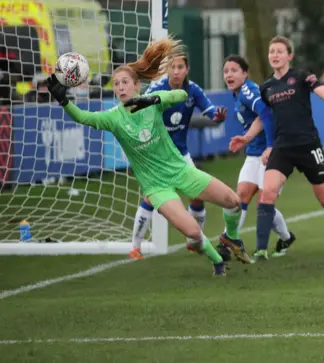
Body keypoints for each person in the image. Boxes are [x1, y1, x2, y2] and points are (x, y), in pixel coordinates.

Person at [45, 38, 250, 277]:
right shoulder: (113, 117)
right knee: (193, 232)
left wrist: (153, 99)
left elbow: (181, 95)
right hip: (156, 186)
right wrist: (64, 101)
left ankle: (231, 237)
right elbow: (83, 118)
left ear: (136, 86)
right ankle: (217, 262)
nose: (120, 87)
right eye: (116, 84)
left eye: (125, 82)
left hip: (182, 171)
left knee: (234, 201)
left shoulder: (152, 103)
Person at [126, 53, 250, 263]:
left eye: (180, 67)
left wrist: (217, 117)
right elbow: (137, 110)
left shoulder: (193, 90)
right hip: (158, 157)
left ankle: (194, 241)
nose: (176, 71)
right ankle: (135, 247)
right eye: (172, 67)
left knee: (197, 196)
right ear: (167, 69)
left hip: (181, 155)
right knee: (151, 197)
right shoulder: (157, 89)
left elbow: (210, 111)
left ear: (187, 70)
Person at [253, 35, 324, 261]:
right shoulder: (266, 87)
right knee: (267, 193)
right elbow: (264, 117)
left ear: (289, 56)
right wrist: (248, 138)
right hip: (283, 148)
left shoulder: (301, 76)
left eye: (279, 51)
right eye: (271, 51)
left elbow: (319, 88)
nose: (274, 55)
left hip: (308, 147)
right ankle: (261, 251)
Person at [224, 55, 296, 258]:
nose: (229, 75)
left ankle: (285, 237)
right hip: (254, 153)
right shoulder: (237, 93)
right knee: (240, 197)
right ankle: (230, 240)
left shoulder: (249, 91)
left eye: (234, 70)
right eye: (226, 71)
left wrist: (271, 146)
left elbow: (267, 114)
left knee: (264, 203)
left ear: (245, 74)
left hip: (272, 153)